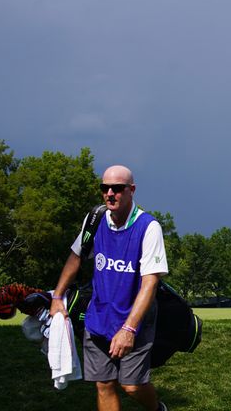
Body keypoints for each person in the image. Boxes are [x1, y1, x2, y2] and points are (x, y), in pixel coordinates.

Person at [50, 165, 169, 411]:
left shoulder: (148, 227)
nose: (110, 193)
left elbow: (150, 282)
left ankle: (158, 409)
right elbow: (75, 257)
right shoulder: (95, 219)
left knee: (132, 386)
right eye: (105, 188)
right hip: (99, 318)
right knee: (103, 384)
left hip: (134, 321)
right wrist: (57, 296)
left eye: (117, 188)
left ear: (131, 190)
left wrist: (128, 328)